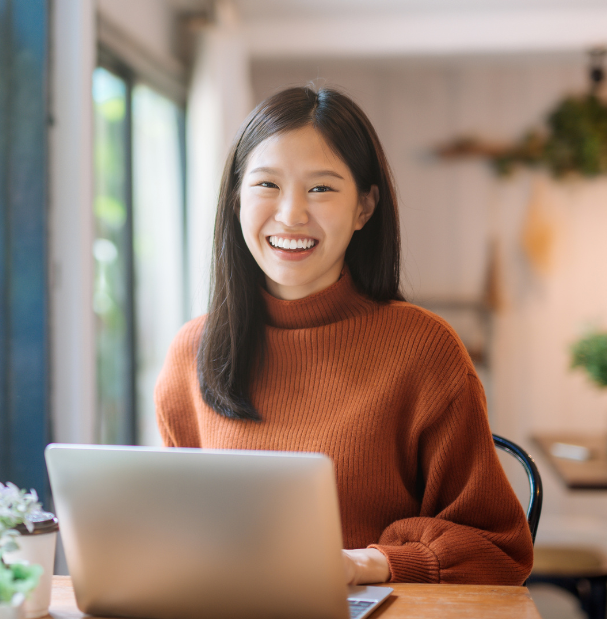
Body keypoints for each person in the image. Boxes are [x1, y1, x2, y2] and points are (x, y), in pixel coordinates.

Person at [155, 86, 533, 586]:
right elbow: (172, 526)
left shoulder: (424, 350)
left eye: (321, 189)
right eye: (266, 184)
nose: (291, 214)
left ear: (364, 208)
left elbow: (499, 547)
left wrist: (370, 563)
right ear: (235, 200)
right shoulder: (193, 351)